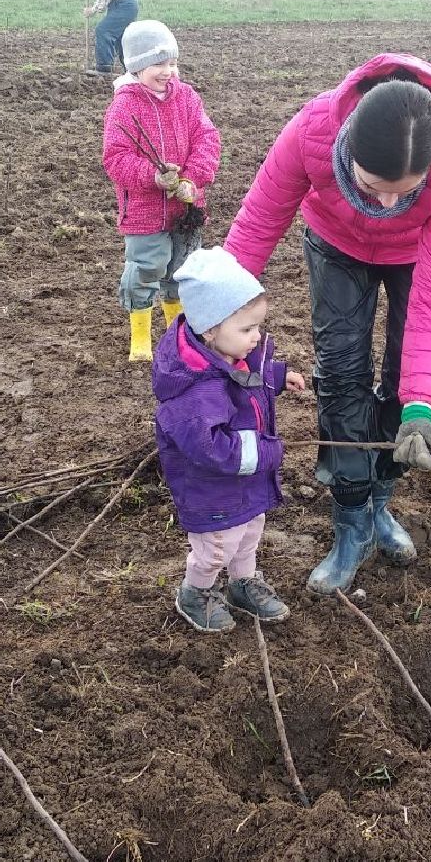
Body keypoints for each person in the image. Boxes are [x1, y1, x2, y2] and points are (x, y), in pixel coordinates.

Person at [223, 54, 431, 595]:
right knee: (341, 372)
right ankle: (350, 524)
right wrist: (212, 315)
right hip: (336, 247)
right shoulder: (313, 130)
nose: (386, 202)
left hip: (415, 259)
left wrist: (420, 406)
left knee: (398, 383)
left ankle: (380, 504)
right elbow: (258, 224)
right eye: (372, 184)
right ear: (349, 148)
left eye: (405, 190)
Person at [151, 247, 307, 631]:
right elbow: (211, 448)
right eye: (247, 329)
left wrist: (274, 375)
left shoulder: (226, 353)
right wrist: (268, 452)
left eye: (258, 327)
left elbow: (245, 380)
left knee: (249, 532)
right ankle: (195, 591)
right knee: (216, 548)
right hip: (213, 489)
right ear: (210, 328)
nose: (257, 337)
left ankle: (243, 584)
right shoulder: (195, 393)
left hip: (245, 482)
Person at [102, 20, 221, 361]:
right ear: (137, 66)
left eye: (172, 63)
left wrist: (192, 180)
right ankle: (140, 341)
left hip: (186, 208)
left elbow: (207, 139)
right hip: (144, 211)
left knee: (180, 271)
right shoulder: (124, 106)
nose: (168, 71)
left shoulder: (187, 97)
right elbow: (116, 158)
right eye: (159, 64)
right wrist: (154, 177)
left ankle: (174, 336)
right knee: (147, 269)